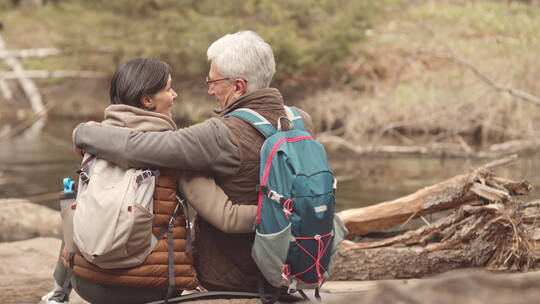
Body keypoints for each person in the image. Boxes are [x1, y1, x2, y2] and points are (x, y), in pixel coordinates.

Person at [73, 30, 314, 293]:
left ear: (239, 86)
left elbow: (136, 147)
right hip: (296, 264)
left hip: (234, 278)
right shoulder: (300, 120)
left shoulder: (219, 134)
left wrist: (84, 133)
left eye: (213, 82)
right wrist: (294, 211)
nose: (209, 90)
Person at [42, 58, 257, 304]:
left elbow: (77, 220)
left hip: (86, 284)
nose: (175, 95)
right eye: (168, 88)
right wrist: (281, 214)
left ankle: (58, 291)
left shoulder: (95, 141)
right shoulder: (174, 153)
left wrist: (61, 287)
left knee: (83, 207)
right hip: (148, 289)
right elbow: (226, 217)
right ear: (147, 100)